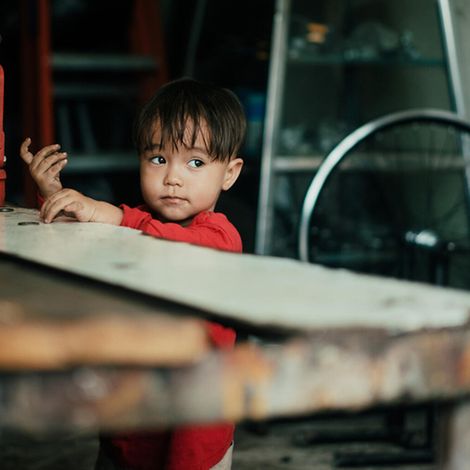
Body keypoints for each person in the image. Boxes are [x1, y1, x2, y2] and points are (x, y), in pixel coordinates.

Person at [20, 77, 246, 470]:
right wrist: (55, 194)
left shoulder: (220, 235)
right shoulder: (131, 223)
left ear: (229, 173)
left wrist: (114, 215)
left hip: (192, 434)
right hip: (128, 424)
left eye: (196, 162)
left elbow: (172, 241)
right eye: (158, 159)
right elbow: (84, 239)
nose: (173, 178)